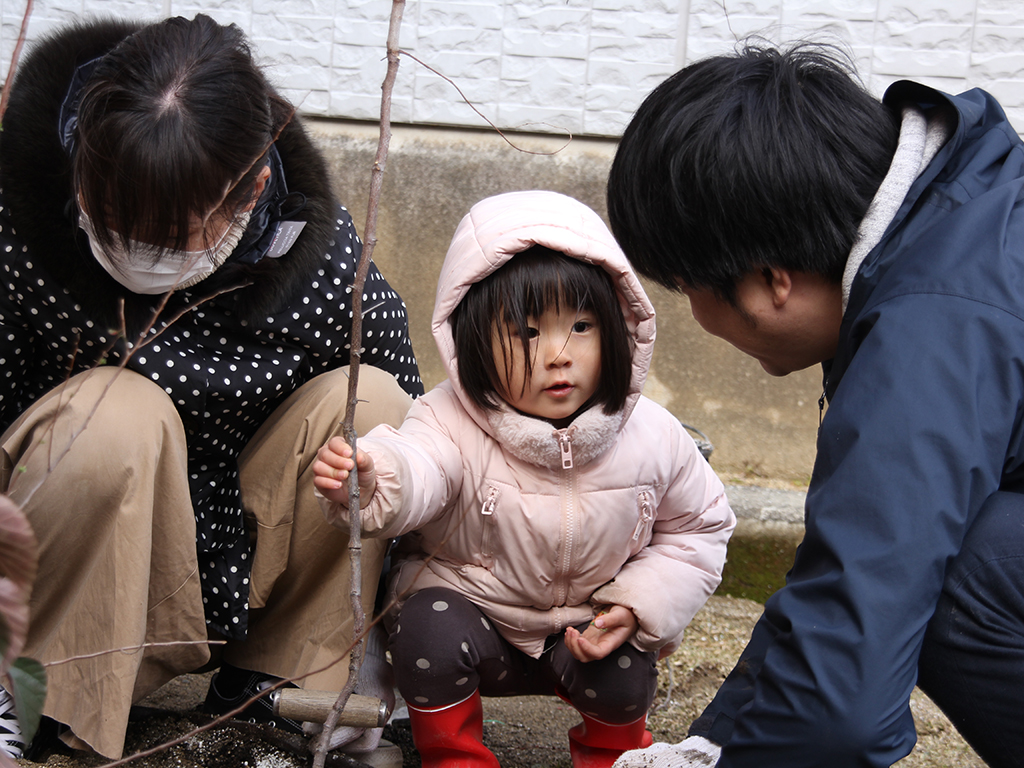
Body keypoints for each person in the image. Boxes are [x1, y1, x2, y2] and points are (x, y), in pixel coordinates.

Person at [0, 14, 424, 761]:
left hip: (229, 556)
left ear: (253, 188)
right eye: (112, 219)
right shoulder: (14, 222)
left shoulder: (316, 264)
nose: (137, 251)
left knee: (374, 406)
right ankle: (41, 698)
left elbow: (426, 439)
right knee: (116, 414)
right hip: (66, 569)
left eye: (168, 235)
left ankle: (279, 690)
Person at [606, 38, 1024, 768]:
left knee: (958, 572)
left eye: (687, 288)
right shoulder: (952, 226)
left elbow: (843, 701)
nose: (694, 316)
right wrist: (713, 742)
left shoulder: (931, 323)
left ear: (772, 280)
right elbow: (854, 564)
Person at [312, 190, 736, 768]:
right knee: (425, 626)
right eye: (527, 333)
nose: (558, 356)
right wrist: (372, 477)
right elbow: (421, 468)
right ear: (473, 344)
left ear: (619, 329)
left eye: (581, 326)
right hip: (475, 619)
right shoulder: (448, 418)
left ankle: (615, 757)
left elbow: (699, 528)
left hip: (587, 630)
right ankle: (455, 757)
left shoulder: (654, 434)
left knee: (629, 654)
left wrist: (637, 606)